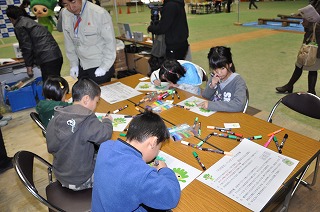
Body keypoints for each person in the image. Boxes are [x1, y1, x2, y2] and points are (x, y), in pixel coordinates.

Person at [92, 111, 180, 211]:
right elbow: (171, 197)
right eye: (159, 147)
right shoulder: (141, 174)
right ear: (153, 142)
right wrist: (164, 170)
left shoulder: (106, 146)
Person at [46, 78, 113, 190]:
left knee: (97, 153)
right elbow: (105, 135)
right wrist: (107, 121)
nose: (96, 106)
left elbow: (51, 147)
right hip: (80, 181)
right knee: (114, 164)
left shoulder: (58, 114)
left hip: (61, 173)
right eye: (96, 102)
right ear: (86, 99)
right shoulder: (86, 118)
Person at [60, 0, 116, 85]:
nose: (71, 7)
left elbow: (110, 43)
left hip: (99, 64)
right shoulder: (65, 13)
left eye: (74, 2)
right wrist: (74, 64)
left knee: (100, 95)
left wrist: (104, 67)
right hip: (81, 65)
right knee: (83, 95)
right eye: (66, 4)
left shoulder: (99, 13)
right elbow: (69, 42)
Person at [6, 6, 63, 82]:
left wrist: (28, 67)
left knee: (50, 86)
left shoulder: (20, 26)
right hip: (56, 55)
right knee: (55, 83)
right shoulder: (29, 21)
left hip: (47, 58)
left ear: (10, 18)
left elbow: (26, 47)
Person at [276, 0, 320, 95]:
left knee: (313, 65)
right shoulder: (314, 1)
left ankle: (311, 91)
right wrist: (304, 19)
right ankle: (290, 86)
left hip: (318, 38)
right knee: (300, 62)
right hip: (310, 35)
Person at [198, 46, 247, 112]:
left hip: (230, 117)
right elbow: (205, 96)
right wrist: (212, 86)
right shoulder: (214, 76)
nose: (219, 72)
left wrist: (211, 105)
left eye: (222, 68)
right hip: (215, 114)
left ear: (230, 64)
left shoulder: (238, 81)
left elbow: (239, 105)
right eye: (215, 69)